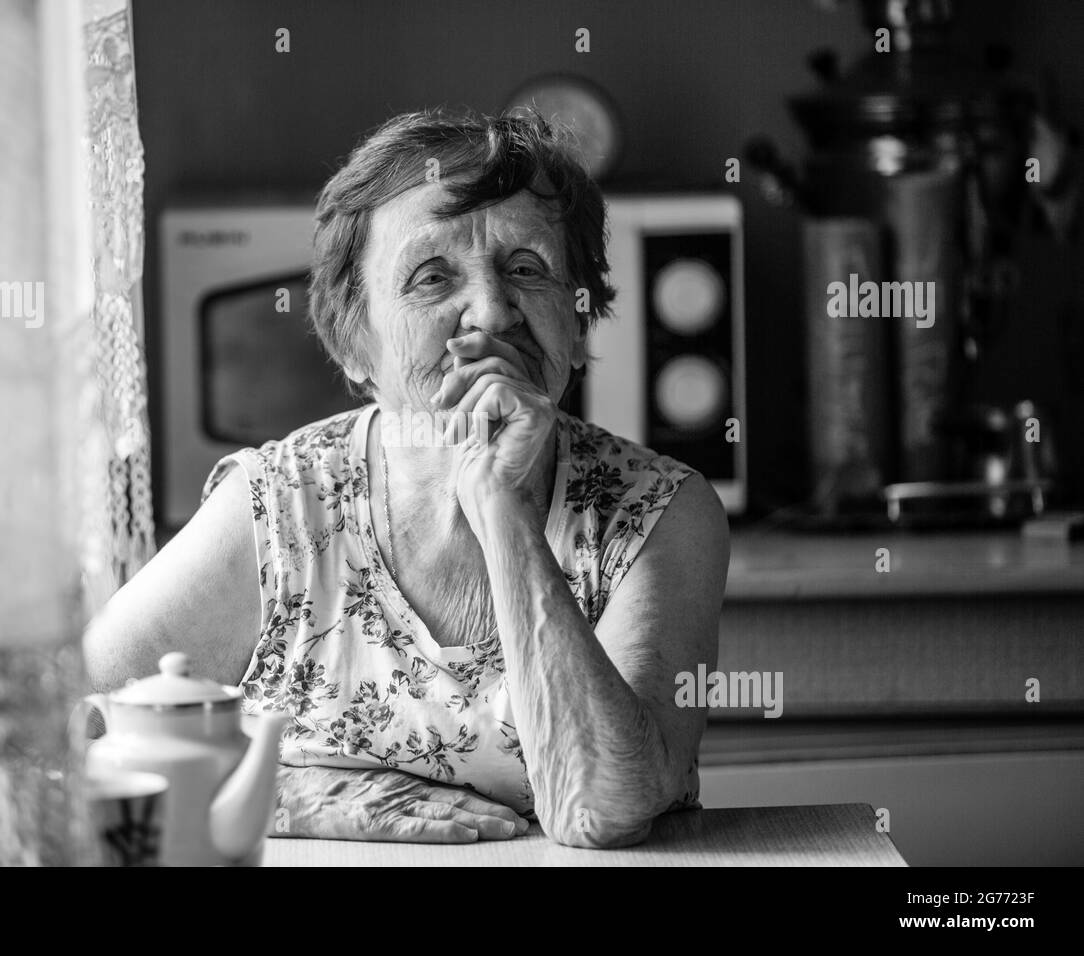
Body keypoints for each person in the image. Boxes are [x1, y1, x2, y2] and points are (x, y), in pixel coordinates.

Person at [85, 109, 730, 848]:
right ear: (353, 345)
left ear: (579, 324)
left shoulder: (659, 515)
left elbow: (603, 811)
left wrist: (500, 507)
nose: (491, 311)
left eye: (527, 269)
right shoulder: (279, 509)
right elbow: (70, 732)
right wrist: (276, 796)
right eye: (432, 277)